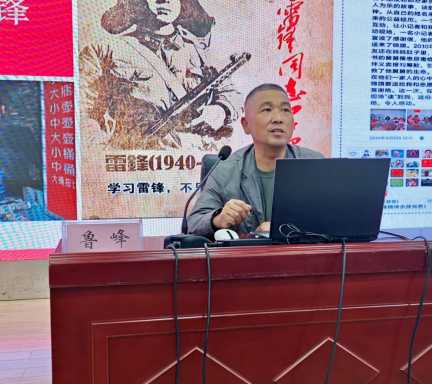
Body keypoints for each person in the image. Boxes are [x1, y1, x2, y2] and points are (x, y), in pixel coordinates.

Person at [79, 0, 240, 150]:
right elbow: (82, 115)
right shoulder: (104, 52)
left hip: (197, 156)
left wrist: (220, 110)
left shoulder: (199, 51)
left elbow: (232, 93)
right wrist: (108, 152)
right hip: (141, 159)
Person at [187, 84, 324, 237]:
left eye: (285, 110)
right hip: (245, 253)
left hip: (302, 253)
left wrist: (282, 228)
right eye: (267, 110)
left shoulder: (316, 165)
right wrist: (218, 219)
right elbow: (194, 222)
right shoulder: (225, 171)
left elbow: (334, 220)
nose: (278, 118)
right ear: (246, 125)